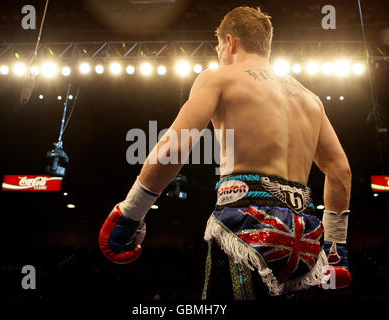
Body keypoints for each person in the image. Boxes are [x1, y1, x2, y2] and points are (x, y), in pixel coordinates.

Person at [99, 6, 352, 299]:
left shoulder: (219, 77)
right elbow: (340, 171)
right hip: (306, 243)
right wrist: (336, 247)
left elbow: (176, 146)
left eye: (219, 46)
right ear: (265, 45)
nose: (219, 53)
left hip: (245, 228)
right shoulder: (310, 98)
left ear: (230, 42)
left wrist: (131, 212)